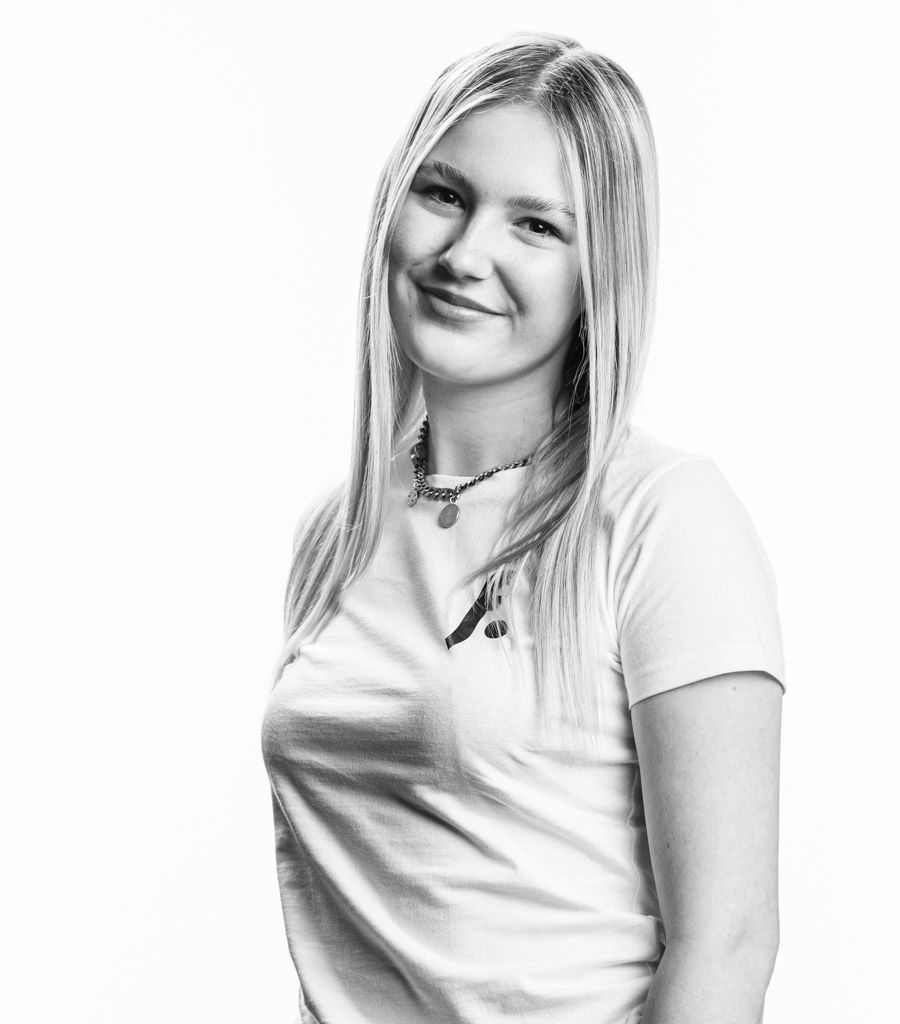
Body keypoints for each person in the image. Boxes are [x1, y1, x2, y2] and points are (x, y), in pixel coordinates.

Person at [261, 31, 786, 1024]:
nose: (466, 256)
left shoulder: (662, 517)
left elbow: (725, 942)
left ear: (599, 272)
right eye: (444, 194)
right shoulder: (336, 529)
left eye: (536, 225)